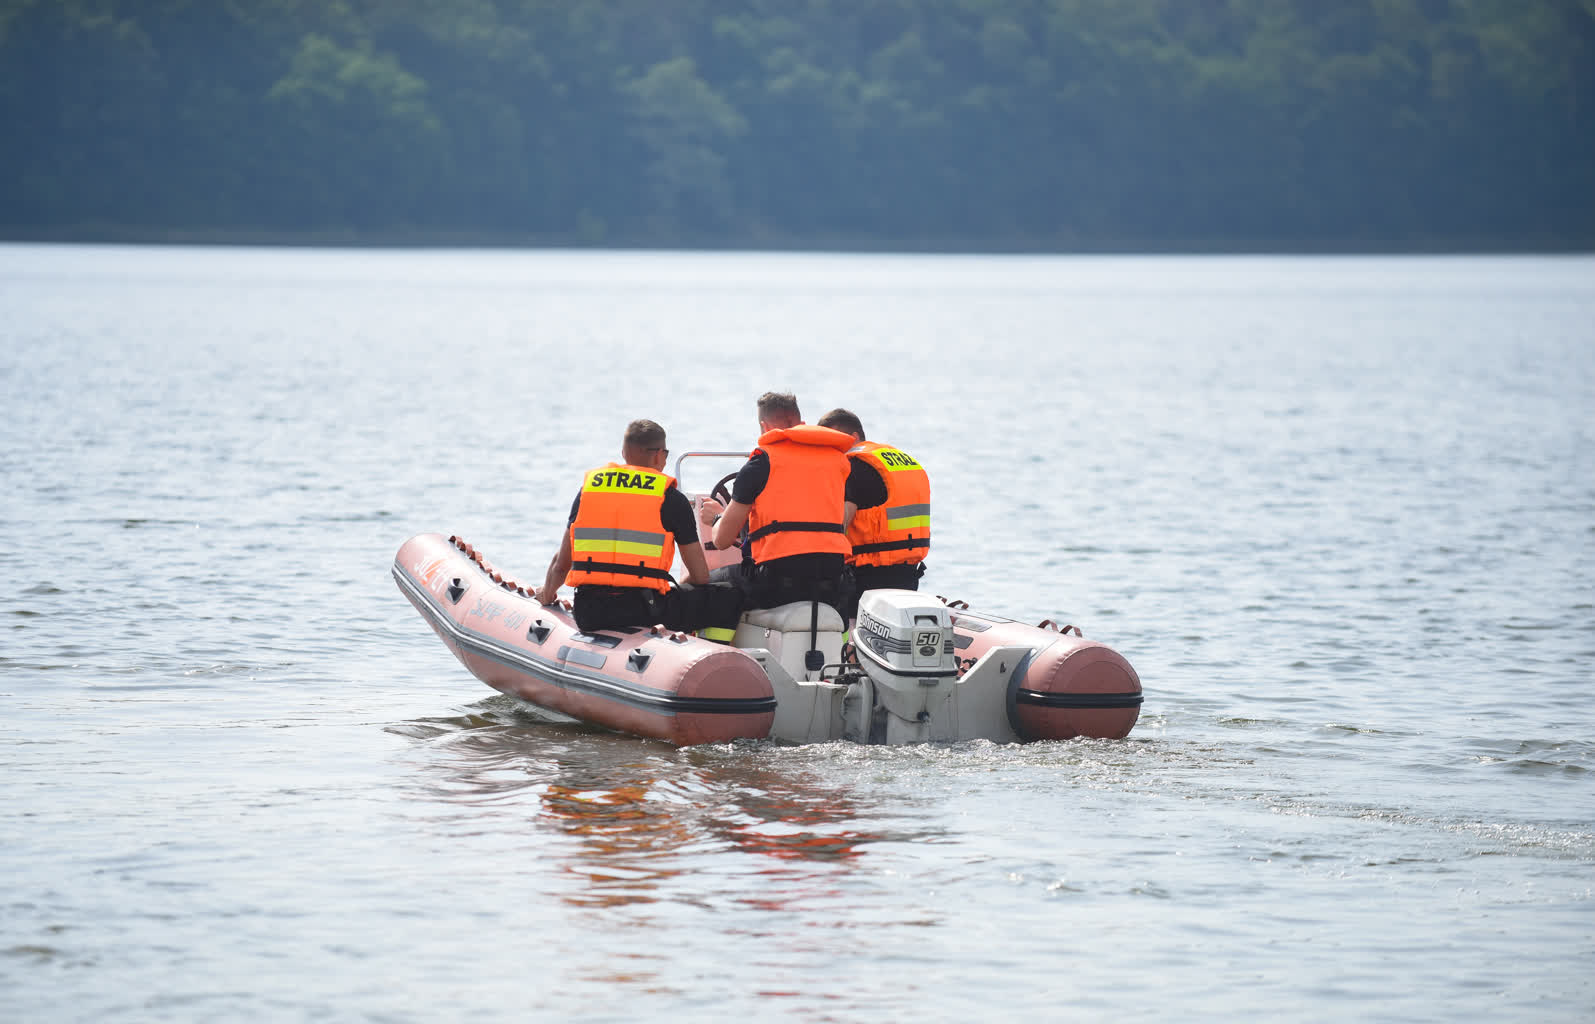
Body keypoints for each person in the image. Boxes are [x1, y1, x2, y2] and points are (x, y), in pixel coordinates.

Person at [536, 419, 740, 640]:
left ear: (624, 453)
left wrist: (547, 594)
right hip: (645, 611)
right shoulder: (669, 497)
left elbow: (561, 564)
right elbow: (700, 576)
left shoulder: (589, 489)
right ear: (659, 455)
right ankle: (712, 648)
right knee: (727, 595)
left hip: (589, 613)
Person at [711, 392, 853, 611]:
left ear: (764, 427)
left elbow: (722, 540)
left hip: (776, 582)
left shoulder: (761, 462)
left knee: (708, 584)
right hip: (831, 579)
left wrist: (716, 518)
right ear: (802, 423)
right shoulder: (839, 461)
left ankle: (714, 636)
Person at [816, 408, 930, 621]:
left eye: (830, 444)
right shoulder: (898, 459)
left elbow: (838, 526)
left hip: (866, 577)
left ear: (853, 438)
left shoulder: (853, 465)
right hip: (907, 575)